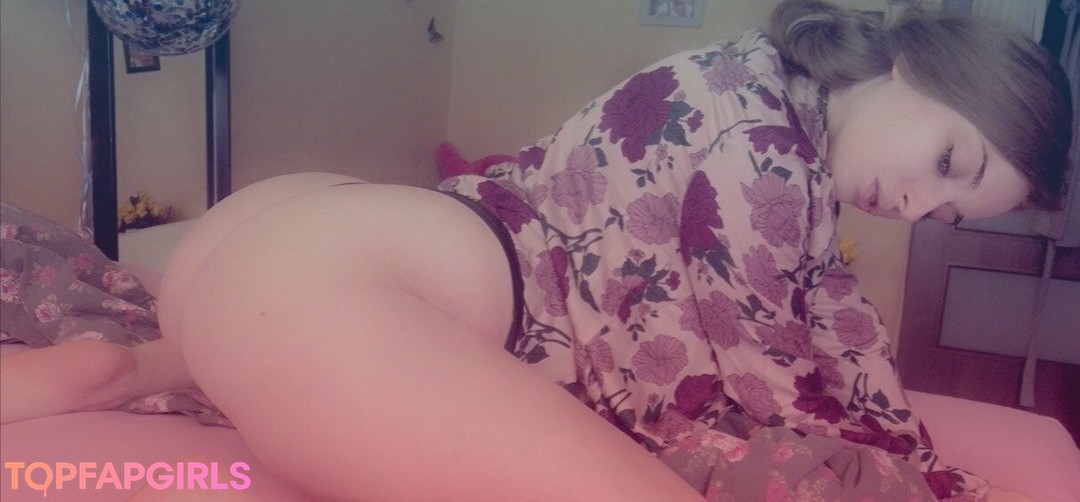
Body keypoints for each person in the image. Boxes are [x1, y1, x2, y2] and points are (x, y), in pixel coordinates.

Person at [0, 0, 1071, 500]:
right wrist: (931, 472)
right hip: (345, 287)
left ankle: (130, 364)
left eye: (946, 215)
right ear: (922, 66)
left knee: (183, 362)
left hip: (285, 232)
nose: (915, 203)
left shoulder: (752, 72)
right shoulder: (767, 160)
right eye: (949, 160)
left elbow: (822, 301)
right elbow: (780, 376)